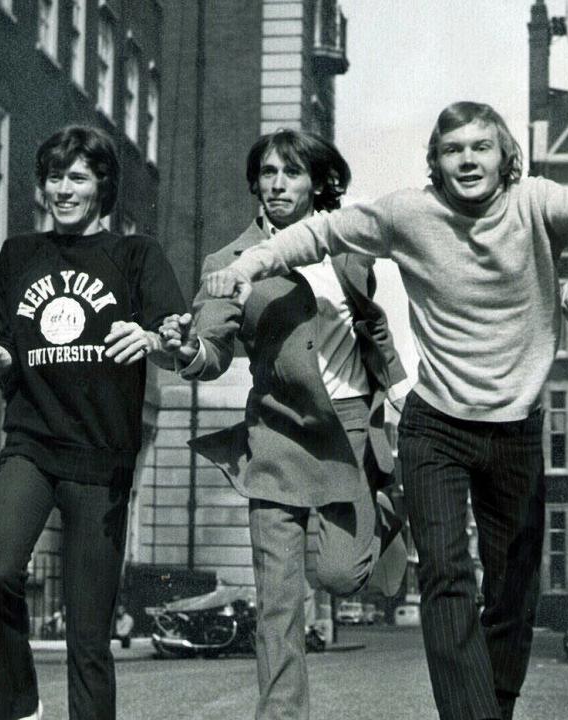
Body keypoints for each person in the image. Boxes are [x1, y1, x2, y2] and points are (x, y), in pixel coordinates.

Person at [202, 102, 568, 720]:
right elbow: (319, 232)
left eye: (481, 147)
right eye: (452, 150)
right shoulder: (409, 213)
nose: (467, 160)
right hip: (437, 426)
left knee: (513, 585)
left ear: (505, 155)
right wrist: (246, 266)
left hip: (515, 427)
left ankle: (497, 707)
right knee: (446, 576)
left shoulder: (536, 203)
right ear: (435, 162)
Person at [159, 129, 409, 720]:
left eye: (291, 173)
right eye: (268, 172)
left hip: (350, 431)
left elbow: (370, 325)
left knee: (342, 575)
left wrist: (397, 389)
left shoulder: (347, 246)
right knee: (278, 605)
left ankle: (390, 514)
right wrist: (184, 346)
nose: (276, 184)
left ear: (316, 182)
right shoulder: (228, 263)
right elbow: (212, 349)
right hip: (276, 436)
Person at [0, 125, 185, 720]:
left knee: (89, 637)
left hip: (101, 456)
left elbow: (174, 332)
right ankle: (20, 707)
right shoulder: (18, 254)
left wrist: (150, 336)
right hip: (31, 443)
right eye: (55, 177)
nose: (63, 189)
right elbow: (2, 341)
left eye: (78, 178)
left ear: (102, 186)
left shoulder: (136, 255)